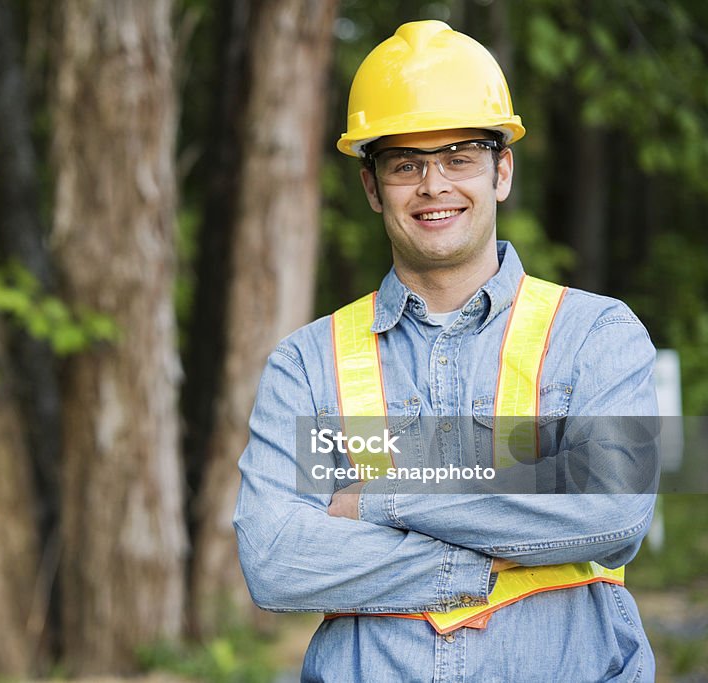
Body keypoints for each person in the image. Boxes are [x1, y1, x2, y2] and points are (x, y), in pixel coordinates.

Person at [233, 20, 658, 682]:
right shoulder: (309, 364)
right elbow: (277, 557)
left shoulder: (595, 335)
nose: (434, 185)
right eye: (406, 163)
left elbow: (612, 508)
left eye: (460, 156)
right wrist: (494, 551)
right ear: (374, 187)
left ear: (501, 170)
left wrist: (383, 499)